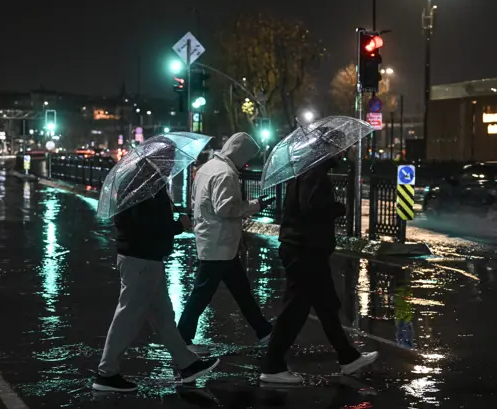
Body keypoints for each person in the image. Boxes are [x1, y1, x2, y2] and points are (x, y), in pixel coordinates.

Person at [94, 160, 219, 393]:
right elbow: (146, 226)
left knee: (163, 316)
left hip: (145, 258)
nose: (171, 166)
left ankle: (187, 364)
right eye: (169, 162)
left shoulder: (140, 182)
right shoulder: (144, 186)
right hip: (141, 259)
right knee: (128, 316)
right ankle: (106, 372)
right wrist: (178, 226)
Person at [260, 155, 377, 384]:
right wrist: (337, 208)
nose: (342, 153)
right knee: (295, 310)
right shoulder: (314, 173)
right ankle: (272, 365)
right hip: (305, 251)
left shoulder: (309, 170)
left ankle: (348, 357)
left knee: (326, 306)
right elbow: (311, 208)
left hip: (307, 250)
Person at [177, 132, 274, 349]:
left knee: (240, 291)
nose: (246, 162)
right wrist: (254, 206)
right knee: (204, 293)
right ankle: (181, 336)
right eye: (246, 156)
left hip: (213, 240)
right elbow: (225, 208)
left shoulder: (207, 168)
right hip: (220, 244)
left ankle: (264, 330)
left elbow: (196, 202)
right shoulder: (226, 173)